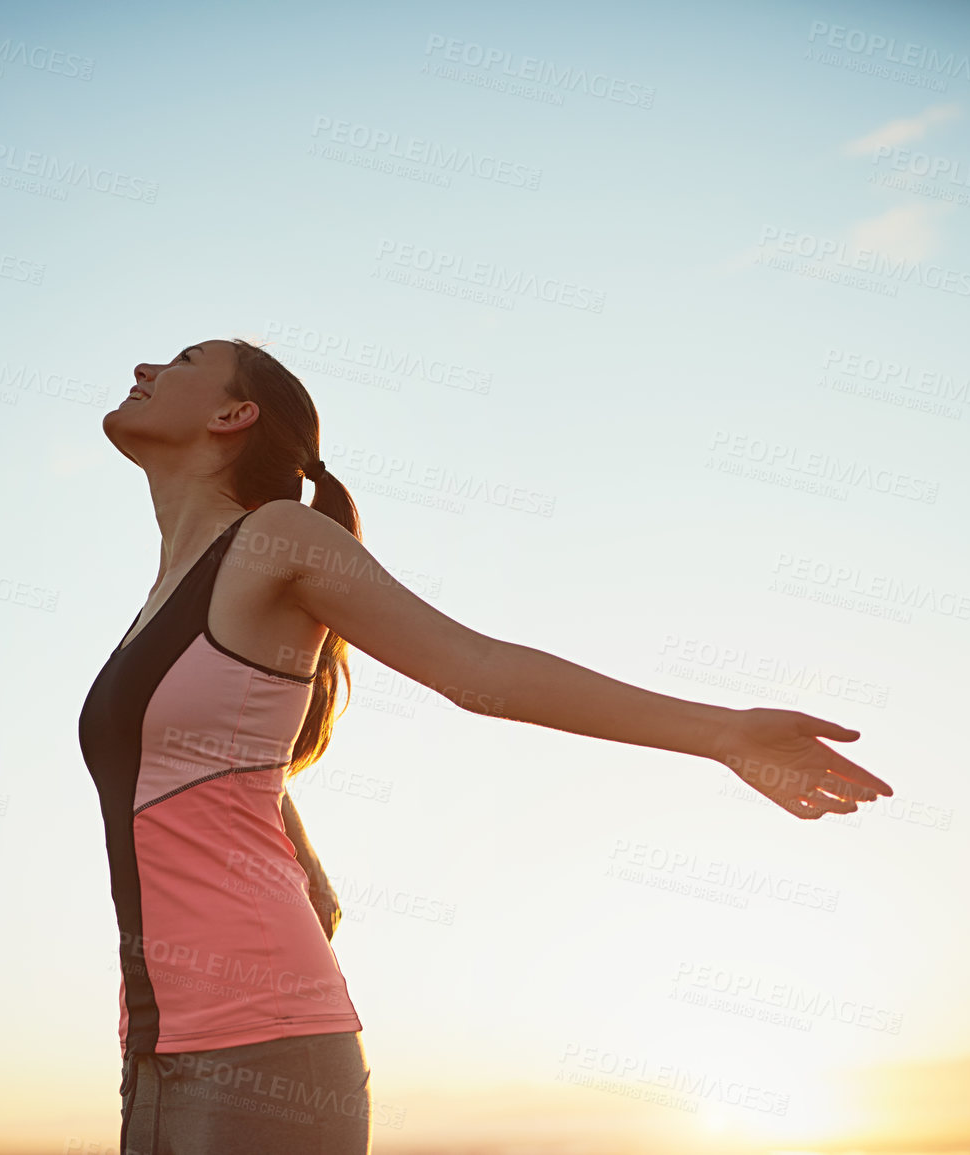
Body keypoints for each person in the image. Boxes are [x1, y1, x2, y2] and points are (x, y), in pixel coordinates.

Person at [78, 338, 893, 1155]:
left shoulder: (278, 536)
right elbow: (218, 753)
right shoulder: (159, 597)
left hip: (259, 1047)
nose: (145, 369)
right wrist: (305, 858)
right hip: (154, 1047)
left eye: (181, 360)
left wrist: (721, 731)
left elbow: (477, 668)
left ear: (233, 414)